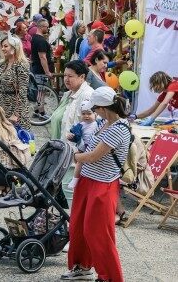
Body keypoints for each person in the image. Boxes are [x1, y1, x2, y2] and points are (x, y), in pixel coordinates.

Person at [63, 87, 128, 282]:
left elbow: (93, 156)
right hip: (88, 180)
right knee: (78, 226)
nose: (93, 111)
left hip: (103, 185)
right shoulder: (104, 122)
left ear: (103, 107)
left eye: (95, 108)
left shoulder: (118, 128)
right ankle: (82, 266)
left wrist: (72, 155)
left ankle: (110, 277)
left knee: (98, 233)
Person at [0, 35, 31, 130]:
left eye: (6, 46)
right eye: (2, 46)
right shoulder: (2, 64)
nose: (2, 49)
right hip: (2, 107)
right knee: (2, 139)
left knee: (16, 140)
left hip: (15, 107)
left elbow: (22, 92)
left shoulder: (21, 65)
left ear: (14, 48)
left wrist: (16, 114)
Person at [49, 60, 94, 141]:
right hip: (59, 145)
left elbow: (86, 127)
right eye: (65, 75)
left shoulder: (87, 95)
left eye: (70, 76)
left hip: (72, 148)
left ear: (82, 77)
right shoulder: (68, 94)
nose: (66, 79)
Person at [66, 100, 99, 190]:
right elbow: (76, 137)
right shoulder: (80, 125)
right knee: (79, 162)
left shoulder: (98, 124)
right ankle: (75, 179)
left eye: (89, 113)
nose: (86, 116)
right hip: (83, 147)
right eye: (83, 114)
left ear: (95, 114)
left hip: (95, 147)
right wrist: (71, 137)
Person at [30, 18, 54, 118]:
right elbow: (42, 57)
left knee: (40, 90)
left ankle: (36, 110)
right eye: (47, 27)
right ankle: (42, 112)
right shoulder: (40, 40)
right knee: (41, 91)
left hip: (36, 67)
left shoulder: (34, 38)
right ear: (41, 27)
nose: (48, 29)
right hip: (40, 69)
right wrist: (47, 71)